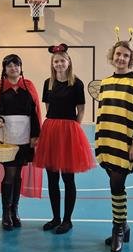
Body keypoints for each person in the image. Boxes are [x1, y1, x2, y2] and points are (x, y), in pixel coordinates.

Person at [34, 44, 95, 234]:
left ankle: (67, 220)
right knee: (52, 179)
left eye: (62, 60)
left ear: (69, 62)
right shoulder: (48, 83)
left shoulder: (76, 83)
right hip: (51, 130)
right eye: (56, 61)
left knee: (68, 179)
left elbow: (81, 109)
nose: (59, 64)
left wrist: (74, 127)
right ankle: (56, 218)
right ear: (52, 64)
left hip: (69, 130)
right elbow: (47, 107)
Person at [95, 33, 133, 252]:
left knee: (117, 185)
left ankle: (118, 229)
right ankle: (124, 227)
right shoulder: (105, 83)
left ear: (131, 59)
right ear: (112, 56)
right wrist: (99, 139)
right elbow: (103, 112)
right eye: (118, 54)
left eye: (126, 55)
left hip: (125, 143)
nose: (121, 58)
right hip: (107, 139)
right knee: (114, 184)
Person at [0, 54, 42, 230]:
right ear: (4, 69)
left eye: (16, 65)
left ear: (20, 68)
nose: (13, 68)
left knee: (18, 173)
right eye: (10, 65)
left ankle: (15, 210)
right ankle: (5, 213)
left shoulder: (29, 86)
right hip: (7, 137)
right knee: (9, 174)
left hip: (25, 137)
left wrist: (35, 135)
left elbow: (35, 112)